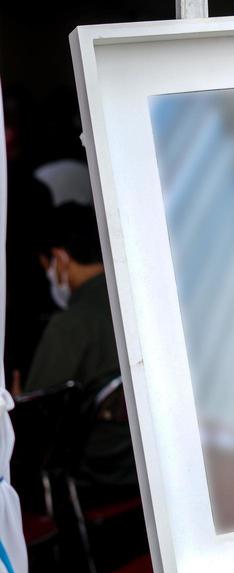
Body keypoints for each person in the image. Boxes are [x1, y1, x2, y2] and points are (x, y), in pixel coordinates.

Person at [25, 203, 137, 493]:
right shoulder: (138, 300)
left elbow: (38, 423)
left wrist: (14, 403)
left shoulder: (69, 326)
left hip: (99, 474)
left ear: (60, 258)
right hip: (150, 457)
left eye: (47, 265)